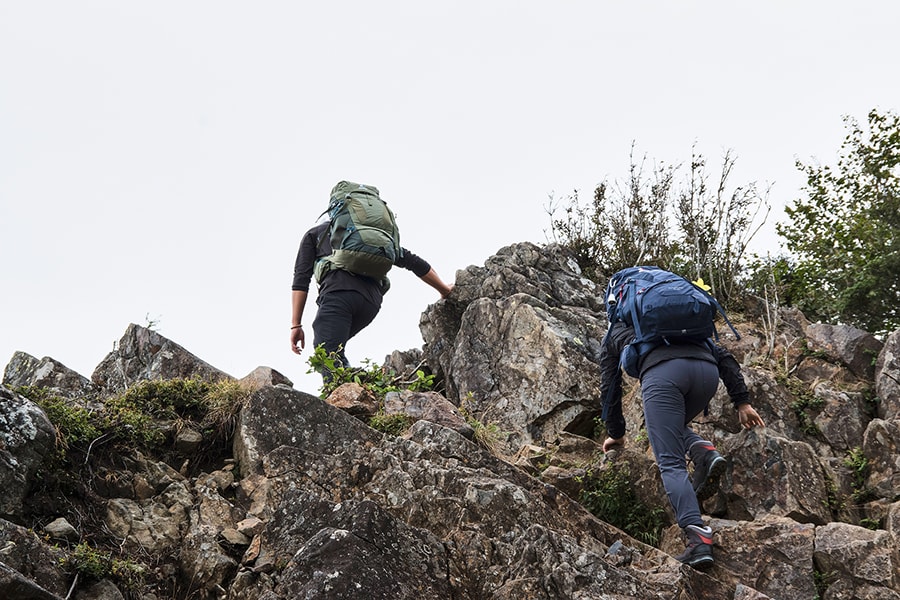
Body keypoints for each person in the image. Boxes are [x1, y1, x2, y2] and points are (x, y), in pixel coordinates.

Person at [599, 317, 765, 569]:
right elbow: (723, 356)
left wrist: (616, 432)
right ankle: (702, 451)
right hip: (706, 374)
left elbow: (610, 386)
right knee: (671, 429)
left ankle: (697, 537)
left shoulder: (616, 329)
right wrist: (742, 401)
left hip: (664, 375)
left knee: (671, 462)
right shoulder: (676, 321)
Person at [290, 195, 453, 377]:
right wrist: (444, 289)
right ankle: (359, 390)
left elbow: (301, 280)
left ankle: (348, 400)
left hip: (339, 296)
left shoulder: (315, 234)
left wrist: (296, 325)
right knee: (335, 350)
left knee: (325, 354)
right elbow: (413, 262)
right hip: (371, 303)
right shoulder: (369, 238)